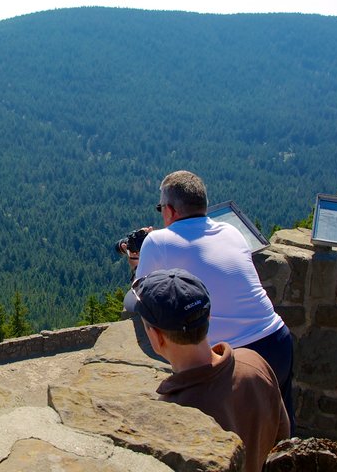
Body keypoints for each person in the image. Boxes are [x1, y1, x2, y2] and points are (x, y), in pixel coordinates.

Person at [121, 170, 296, 432]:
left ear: (169, 210)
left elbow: (141, 298)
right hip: (277, 340)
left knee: (229, 443)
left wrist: (136, 261)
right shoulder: (231, 231)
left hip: (229, 359)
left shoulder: (157, 241)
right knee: (277, 432)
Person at [125, 268, 290, 472]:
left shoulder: (173, 412)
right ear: (208, 317)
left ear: (157, 338)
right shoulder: (254, 364)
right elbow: (282, 438)